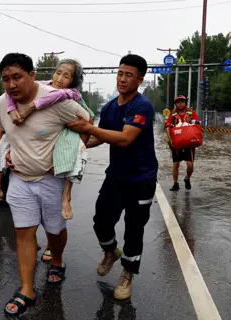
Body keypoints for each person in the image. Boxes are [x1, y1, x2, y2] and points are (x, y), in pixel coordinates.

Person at [0, 53, 90, 317]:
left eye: (17, 77)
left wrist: (70, 154)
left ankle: (57, 260)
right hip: (20, 181)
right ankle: (27, 289)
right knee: (24, 233)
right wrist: (9, 157)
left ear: (32, 76)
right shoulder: (1, 103)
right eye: (6, 79)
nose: (11, 85)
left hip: (52, 180)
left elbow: (87, 125)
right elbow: (4, 134)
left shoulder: (57, 100)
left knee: (55, 229)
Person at [0, 59, 94, 262]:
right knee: (5, 143)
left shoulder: (68, 96)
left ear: (73, 82)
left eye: (66, 76)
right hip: (21, 177)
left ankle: (65, 199)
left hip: (61, 148)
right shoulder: (38, 87)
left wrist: (76, 150)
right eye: (58, 73)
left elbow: (85, 123)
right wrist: (12, 110)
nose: (59, 79)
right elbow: (8, 117)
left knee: (55, 228)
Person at [66, 54, 158, 301]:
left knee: (134, 229)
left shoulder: (142, 106)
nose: (123, 79)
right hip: (116, 176)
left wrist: (89, 128)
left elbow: (126, 138)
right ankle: (110, 251)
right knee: (101, 220)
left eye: (129, 75)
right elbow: (100, 137)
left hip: (141, 179)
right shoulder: (108, 108)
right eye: (120, 73)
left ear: (139, 80)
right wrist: (75, 145)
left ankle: (128, 273)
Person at [165, 95, 199, 191]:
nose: (180, 104)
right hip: (176, 143)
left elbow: (198, 124)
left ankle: (187, 178)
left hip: (189, 143)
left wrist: (191, 120)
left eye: (182, 102)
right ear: (175, 104)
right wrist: (170, 140)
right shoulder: (172, 115)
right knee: (176, 164)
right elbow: (167, 127)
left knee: (190, 165)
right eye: (178, 102)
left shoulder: (191, 113)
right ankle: (175, 183)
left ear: (185, 103)